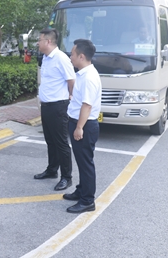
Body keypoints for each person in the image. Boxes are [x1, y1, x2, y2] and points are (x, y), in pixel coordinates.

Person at [34, 29, 76, 191]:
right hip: (46, 106)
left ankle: (66, 177)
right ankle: (52, 170)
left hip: (58, 106)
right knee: (50, 141)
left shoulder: (61, 58)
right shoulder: (46, 58)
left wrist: (71, 97)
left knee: (61, 143)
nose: (38, 43)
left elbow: (71, 80)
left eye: (40, 40)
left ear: (48, 41)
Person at [63, 39, 102, 214]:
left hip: (84, 125)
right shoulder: (83, 74)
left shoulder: (89, 77)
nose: (70, 57)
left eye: (72, 54)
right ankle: (81, 190)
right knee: (81, 161)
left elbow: (87, 105)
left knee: (86, 163)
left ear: (81, 56)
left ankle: (87, 200)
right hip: (79, 122)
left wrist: (79, 128)